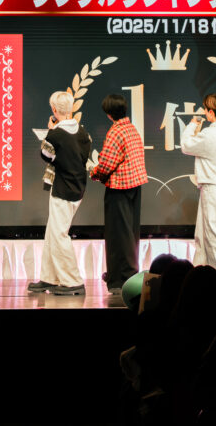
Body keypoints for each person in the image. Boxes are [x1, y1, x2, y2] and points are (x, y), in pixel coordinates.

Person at [29, 91, 92, 295]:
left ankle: (72, 281)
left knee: (58, 234)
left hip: (63, 188)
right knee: (53, 232)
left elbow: (46, 154)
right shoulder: (82, 132)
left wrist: (51, 131)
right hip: (77, 185)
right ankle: (49, 277)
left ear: (54, 110)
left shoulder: (55, 134)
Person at [91, 93, 148, 295]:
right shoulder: (131, 128)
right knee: (130, 232)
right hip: (135, 185)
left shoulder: (115, 131)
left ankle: (119, 280)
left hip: (120, 187)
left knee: (117, 235)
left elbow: (107, 163)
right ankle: (126, 274)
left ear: (109, 114)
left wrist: (94, 172)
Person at [181, 93, 216, 286]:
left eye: (206, 110)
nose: (205, 113)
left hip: (214, 188)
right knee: (203, 236)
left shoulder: (212, 134)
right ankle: (199, 276)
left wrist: (192, 125)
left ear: (211, 112)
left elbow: (186, 145)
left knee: (212, 236)